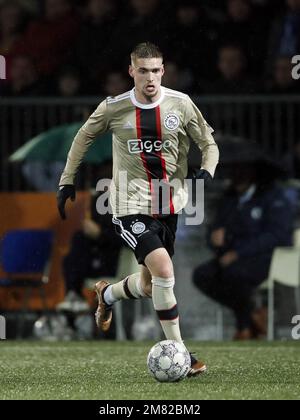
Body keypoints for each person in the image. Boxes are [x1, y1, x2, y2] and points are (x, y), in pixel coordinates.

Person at [57, 42, 219, 376]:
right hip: (129, 204)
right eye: (142, 70)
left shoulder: (181, 104)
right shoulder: (114, 107)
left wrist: (207, 169)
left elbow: (208, 143)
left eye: (155, 70)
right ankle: (182, 355)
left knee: (150, 286)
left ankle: (107, 293)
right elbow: (82, 138)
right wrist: (66, 180)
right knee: (163, 269)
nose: (150, 77)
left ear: (163, 71)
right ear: (132, 71)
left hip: (169, 204)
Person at [192, 162, 293, 339]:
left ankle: (244, 328)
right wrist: (215, 239)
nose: (237, 175)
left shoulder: (273, 196)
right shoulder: (229, 199)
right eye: (234, 170)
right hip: (229, 257)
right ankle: (253, 313)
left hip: (265, 258)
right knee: (202, 275)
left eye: (242, 170)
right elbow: (215, 229)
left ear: (254, 172)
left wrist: (238, 253)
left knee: (234, 274)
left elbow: (276, 235)